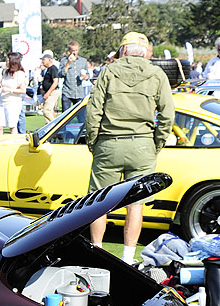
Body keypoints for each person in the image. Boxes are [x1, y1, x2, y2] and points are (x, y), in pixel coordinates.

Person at [85, 32, 174, 264]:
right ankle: (128, 257)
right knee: (136, 205)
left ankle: (97, 252)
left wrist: (94, 142)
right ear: (144, 53)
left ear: (122, 51)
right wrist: (157, 143)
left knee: (99, 203)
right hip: (143, 145)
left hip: (109, 143)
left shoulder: (108, 71)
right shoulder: (157, 74)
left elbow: (93, 111)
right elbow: (167, 115)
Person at [0, 52, 25, 135]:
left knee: (12, 126)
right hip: (2, 101)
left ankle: (14, 144)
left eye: (7, 60)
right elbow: (0, 82)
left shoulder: (20, 74)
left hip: (13, 102)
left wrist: (9, 90)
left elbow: (23, 90)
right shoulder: (4, 72)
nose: (6, 62)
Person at [58, 41, 89, 111]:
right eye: (73, 50)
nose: (74, 52)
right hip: (67, 92)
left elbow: (88, 75)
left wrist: (86, 77)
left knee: (80, 116)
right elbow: (60, 74)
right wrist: (68, 63)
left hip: (79, 92)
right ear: (69, 51)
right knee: (65, 116)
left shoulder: (83, 61)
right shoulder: (64, 61)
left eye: (76, 50)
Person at [40, 50, 60, 122]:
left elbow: (55, 82)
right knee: (49, 110)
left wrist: (48, 92)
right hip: (48, 92)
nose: (42, 62)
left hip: (52, 92)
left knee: (46, 111)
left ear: (49, 60)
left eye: (44, 60)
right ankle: (48, 127)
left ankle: (55, 126)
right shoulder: (47, 69)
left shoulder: (53, 69)